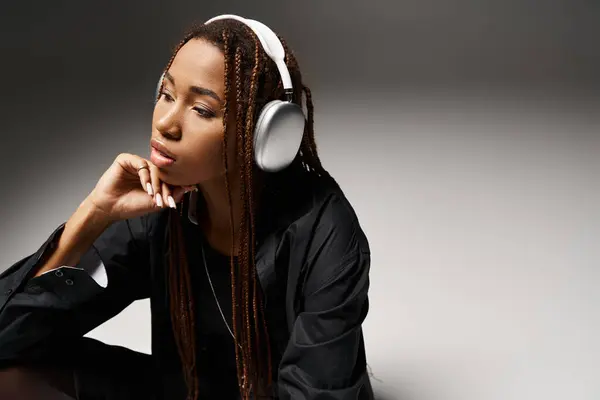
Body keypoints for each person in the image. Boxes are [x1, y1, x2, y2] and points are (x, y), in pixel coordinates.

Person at [0, 14, 373, 400]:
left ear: (265, 133)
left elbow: (317, 393)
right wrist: (94, 213)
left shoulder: (324, 231)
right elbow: (9, 335)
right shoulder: (162, 213)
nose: (165, 123)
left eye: (202, 110)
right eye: (166, 94)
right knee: (13, 369)